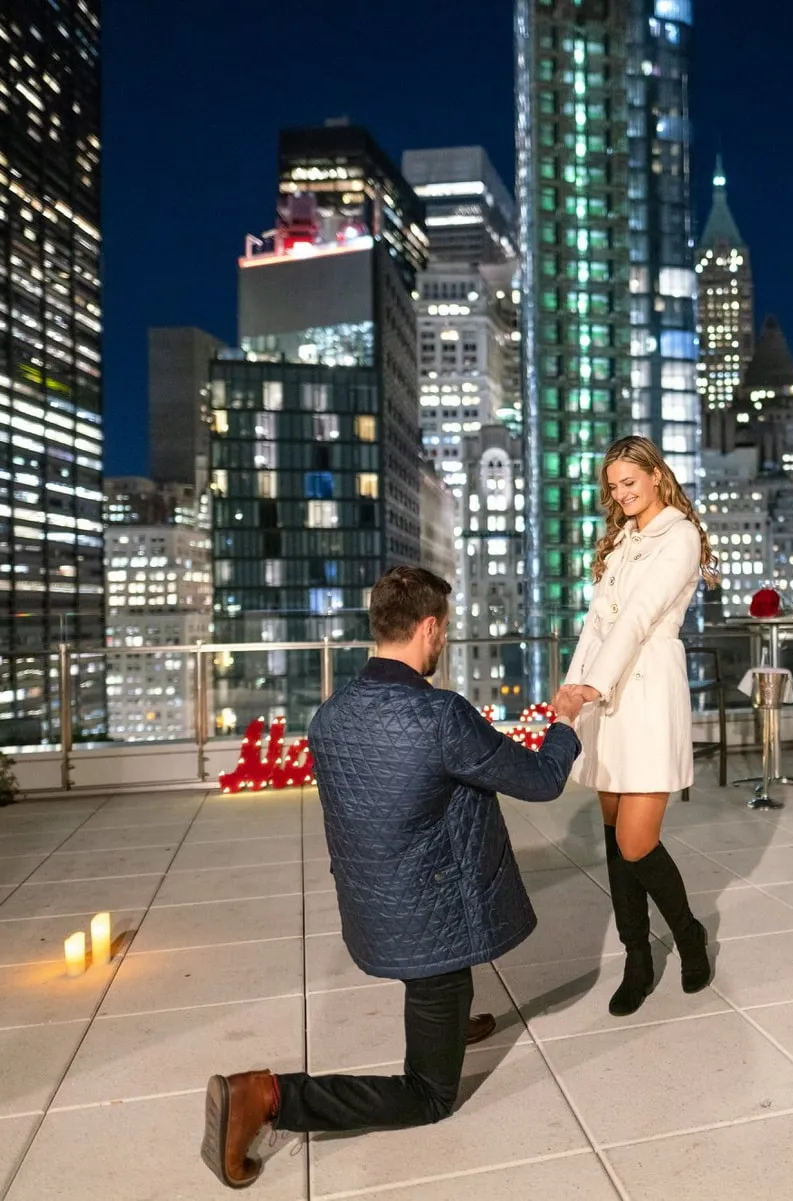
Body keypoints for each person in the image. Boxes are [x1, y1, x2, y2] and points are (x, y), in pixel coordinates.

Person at [202, 565, 588, 1190]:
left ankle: (450, 1016)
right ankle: (269, 1097)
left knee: (439, 968)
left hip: (375, 907)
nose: (443, 643)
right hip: (430, 923)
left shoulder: (329, 716)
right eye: (445, 632)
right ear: (430, 627)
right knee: (430, 1096)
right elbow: (542, 781)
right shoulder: (439, 715)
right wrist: (565, 721)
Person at [559, 435, 719, 1017]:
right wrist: (575, 686)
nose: (621, 494)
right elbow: (597, 624)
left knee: (636, 840)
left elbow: (640, 619)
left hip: (647, 696)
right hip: (607, 698)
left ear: (656, 475)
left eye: (630, 482)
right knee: (612, 839)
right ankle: (636, 956)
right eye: (614, 486)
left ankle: (687, 932)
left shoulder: (678, 537)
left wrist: (592, 686)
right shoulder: (623, 540)